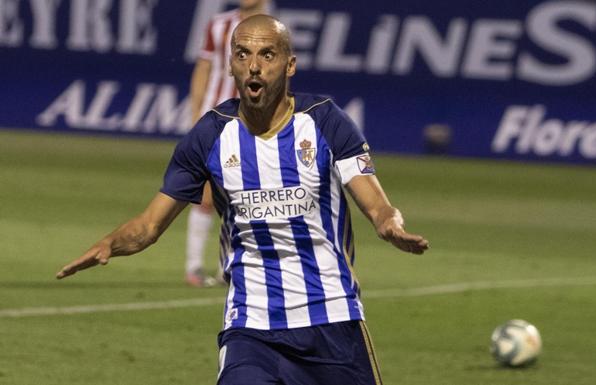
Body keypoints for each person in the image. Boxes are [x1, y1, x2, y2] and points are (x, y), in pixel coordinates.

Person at [56, 15, 429, 385]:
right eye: (242, 54)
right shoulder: (210, 135)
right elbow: (150, 226)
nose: (254, 66)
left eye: (267, 55)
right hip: (251, 329)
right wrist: (109, 244)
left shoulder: (325, 122)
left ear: (290, 65)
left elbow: (376, 203)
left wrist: (389, 225)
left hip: (331, 321)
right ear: (231, 65)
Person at [186, 0, 269, 287]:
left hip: (255, 121)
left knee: (246, 196)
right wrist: (195, 114)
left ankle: (230, 268)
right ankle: (194, 266)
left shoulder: (274, 30)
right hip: (216, 118)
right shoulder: (219, 24)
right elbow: (203, 69)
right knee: (207, 191)